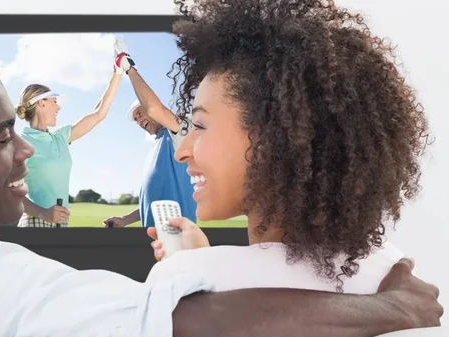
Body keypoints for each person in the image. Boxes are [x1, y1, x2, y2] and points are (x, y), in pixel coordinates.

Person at [0, 48, 441, 337]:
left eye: (198, 127)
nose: (24, 147)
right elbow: (189, 326)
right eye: (3, 137)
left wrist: (197, 267)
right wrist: (392, 303)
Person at [147, 0, 432, 295]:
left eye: (200, 126)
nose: (182, 152)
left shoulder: (188, 278)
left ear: (271, 141)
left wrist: (188, 269)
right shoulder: (395, 275)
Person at [102, 39, 197, 229]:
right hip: (155, 238)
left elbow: (155, 108)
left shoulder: (181, 132)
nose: (138, 121)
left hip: (178, 237)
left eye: (140, 114)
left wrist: (128, 67)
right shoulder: (155, 147)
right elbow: (151, 203)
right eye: (135, 120)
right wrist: (125, 220)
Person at [15, 64, 122, 227]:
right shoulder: (21, 143)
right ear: (41, 103)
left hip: (62, 223)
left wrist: (118, 73)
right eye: (55, 101)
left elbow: (99, 114)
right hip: (35, 223)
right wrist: (43, 213)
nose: (59, 107)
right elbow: (8, 193)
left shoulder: (60, 136)